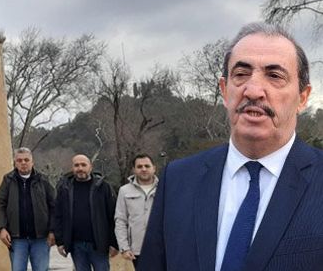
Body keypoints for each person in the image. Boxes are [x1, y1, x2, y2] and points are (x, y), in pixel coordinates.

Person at [138, 22, 323, 271]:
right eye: (241, 74)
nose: (254, 90)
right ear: (225, 91)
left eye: (275, 76)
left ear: (302, 97)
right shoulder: (178, 180)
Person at [53, 154, 117, 271]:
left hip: (99, 244)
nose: (80, 168)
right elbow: (58, 216)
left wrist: (114, 242)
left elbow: (112, 215)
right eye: (76, 165)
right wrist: (60, 241)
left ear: (90, 167)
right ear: (72, 168)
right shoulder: (65, 188)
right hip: (76, 245)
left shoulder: (103, 187)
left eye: (83, 165)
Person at [0, 147, 56, 271]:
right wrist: (2, 228)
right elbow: (1, 205)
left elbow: (54, 206)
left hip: (41, 237)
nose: (23, 163)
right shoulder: (8, 180)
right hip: (17, 238)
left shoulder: (43, 180)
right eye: (19, 160)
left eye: (26, 160)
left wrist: (52, 230)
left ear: (32, 162)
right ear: (15, 162)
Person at [114, 154, 158, 269]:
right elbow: (120, 220)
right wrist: (124, 247)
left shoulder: (164, 188)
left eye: (147, 166)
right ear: (134, 169)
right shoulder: (124, 191)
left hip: (160, 247)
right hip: (137, 249)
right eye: (139, 166)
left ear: (154, 168)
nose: (143, 169)